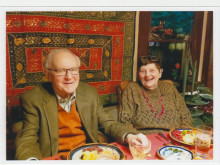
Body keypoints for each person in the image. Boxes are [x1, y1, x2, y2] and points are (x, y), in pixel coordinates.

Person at [15, 48, 149, 160]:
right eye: (61, 71)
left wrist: (130, 136)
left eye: (74, 69)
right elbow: (27, 139)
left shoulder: (89, 93)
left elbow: (108, 122)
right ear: (47, 74)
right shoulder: (33, 99)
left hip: (88, 157)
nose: (69, 76)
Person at [119, 56, 193, 135]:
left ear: (160, 73)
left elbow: (186, 117)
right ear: (138, 73)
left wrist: (180, 136)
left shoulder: (170, 89)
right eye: (143, 71)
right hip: (144, 139)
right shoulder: (132, 89)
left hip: (173, 137)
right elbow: (125, 122)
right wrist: (138, 138)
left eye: (152, 70)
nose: (147, 75)